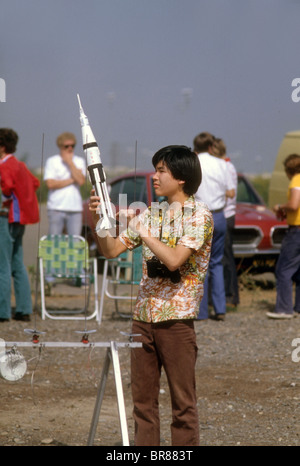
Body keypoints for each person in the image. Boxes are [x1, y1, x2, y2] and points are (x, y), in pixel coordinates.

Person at [89, 145, 213, 446]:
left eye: (161, 171)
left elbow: (173, 261)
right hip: (142, 318)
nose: (154, 176)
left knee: (183, 404)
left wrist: (144, 232)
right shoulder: (151, 213)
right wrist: (99, 221)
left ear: (182, 178)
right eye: (155, 169)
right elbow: (111, 250)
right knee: (142, 404)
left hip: (176, 320)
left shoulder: (199, 216)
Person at [193, 132, 235, 321]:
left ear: (195, 148)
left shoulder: (193, 164)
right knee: (216, 262)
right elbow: (231, 191)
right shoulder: (222, 164)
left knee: (199, 264)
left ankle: (201, 311)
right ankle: (220, 308)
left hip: (200, 214)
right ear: (211, 147)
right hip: (219, 215)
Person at [0, 128, 40, 322]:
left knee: (3, 265)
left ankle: (2, 311)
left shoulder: (4, 165)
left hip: (6, 218)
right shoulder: (21, 165)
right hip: (20, 220)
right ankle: (24, 309)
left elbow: (6, 187)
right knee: (17, 263)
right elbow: (35, 183)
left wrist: (7, 197)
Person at [267, 153, 300, 319]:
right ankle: (298, 307)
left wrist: (280, 206)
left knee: (284, 269)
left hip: (297, 230)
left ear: (289, 170)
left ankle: (284, 308)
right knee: (299, 270)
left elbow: (294, 204)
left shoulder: (296, 180)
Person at [212, 138, 239, 307]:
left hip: (226, 214)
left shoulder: (226, 167)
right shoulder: (226, 166)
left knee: (225, 258)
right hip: (226, 214)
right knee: (222, 257)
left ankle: (230, 295)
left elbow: (230, 192)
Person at [44, 132, 86, 235]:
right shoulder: (52, 161)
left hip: (75, 209)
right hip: (56, 208)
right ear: (60, 146)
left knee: (75, 241)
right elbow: (50, 184)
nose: (70, 148)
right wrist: (72, 179)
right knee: (55, 241)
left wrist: (70, 163)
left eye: (73, 146)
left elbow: (81, 181)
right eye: (66, 146)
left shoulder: (79, 161)